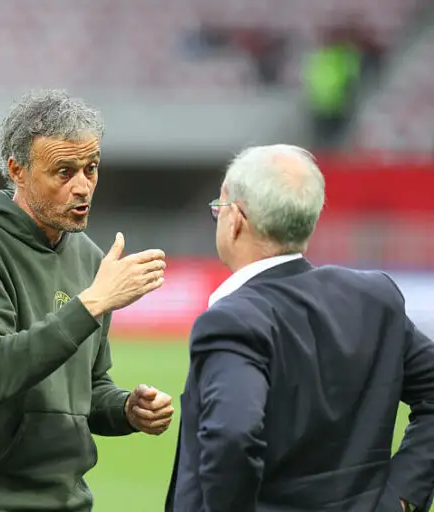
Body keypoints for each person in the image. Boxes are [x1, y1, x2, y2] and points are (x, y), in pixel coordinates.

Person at [0, 89, 175, 512]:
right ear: (17, 170)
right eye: (64, 172)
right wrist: (90, 304)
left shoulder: (89, 258)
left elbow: (86, 390)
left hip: (69, 501)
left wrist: (127, 409)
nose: (83, 187)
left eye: (91, 169)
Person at [165, 144, 434, 512]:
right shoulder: (372, 297)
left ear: (236, 219)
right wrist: (401, 496)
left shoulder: (231, 320)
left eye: (219, 207)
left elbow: (233, 435)